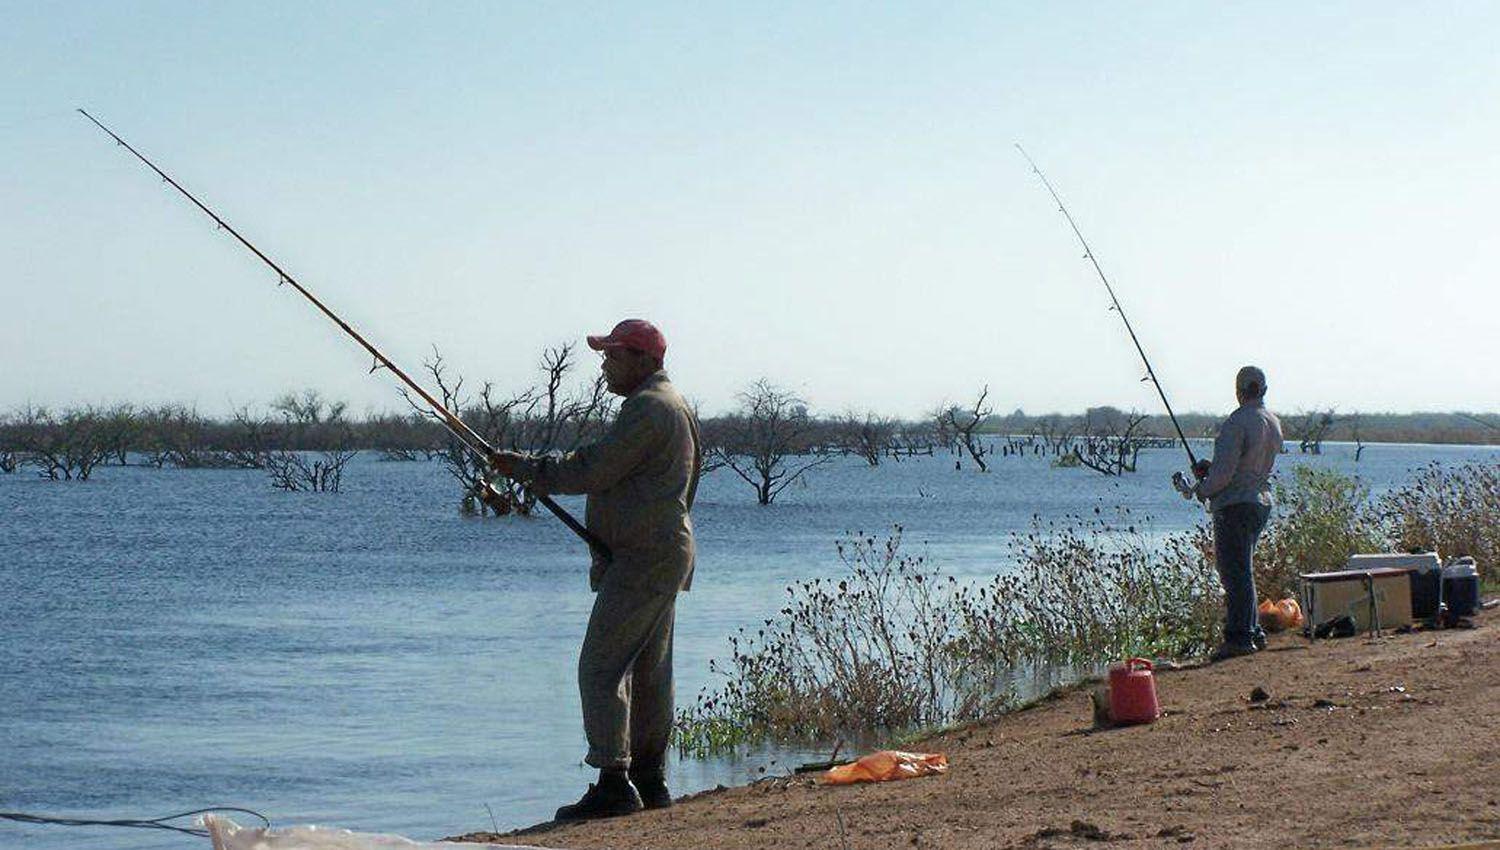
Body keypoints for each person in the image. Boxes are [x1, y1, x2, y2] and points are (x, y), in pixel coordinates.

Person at [488, 319, 701, 820]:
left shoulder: (649, 408)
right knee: (649, 673)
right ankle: (649, 780)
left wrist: (529, 468)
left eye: (614, 355)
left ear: (645, 360)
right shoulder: (673, 404)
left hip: (645, 558)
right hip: (659, 553)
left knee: (601, 668)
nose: (605, 365)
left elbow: (593, 468)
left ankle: (613, 783)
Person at [1173, 365, 1283, 662]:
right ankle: (1253, 632)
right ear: (1264, 389)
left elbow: (1223, 476)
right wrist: (1212, 473)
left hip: (1235, 505)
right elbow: (1247, 465)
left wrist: (1201, 489)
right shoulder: (1272, 421)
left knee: (1234, 572)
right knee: (1244, 570)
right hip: (1261, 502)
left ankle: (1239, 638)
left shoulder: (1236, 423)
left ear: (1238, 391)